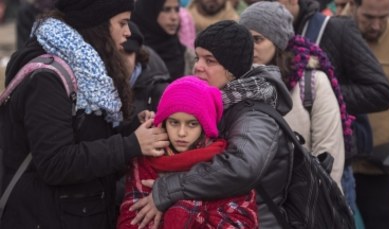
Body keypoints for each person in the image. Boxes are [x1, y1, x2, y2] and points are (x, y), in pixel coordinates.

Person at [0, 0, 170, 228]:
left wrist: (132, 129)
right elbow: (55, 162)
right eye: (122, 22)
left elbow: (88, 135)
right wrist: (131, 144)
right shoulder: (47, 79)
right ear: (96, 23)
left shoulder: (88, 73)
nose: (128, 31)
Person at [129, 20, 295, 229]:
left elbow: (243, 167)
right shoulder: (220, 100)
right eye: (198, 57)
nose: (197, 66)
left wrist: (171, 188)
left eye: (210, 60)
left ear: (232, 69)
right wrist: (159, 122)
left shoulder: (253, 115)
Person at [271, 0, 389, 225]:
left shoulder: (334, 29)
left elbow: (380, 91)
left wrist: (323, 94)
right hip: (283, 170)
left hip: (333, 160)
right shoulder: (260, 27)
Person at [117, 76, 258, 229]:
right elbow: (130, 221)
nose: (182, 133)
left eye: (192, 124)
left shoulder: (223, 165)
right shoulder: (146, 160)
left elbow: (242, 221)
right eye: (174, 122)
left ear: (205, 126)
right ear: (164, 122)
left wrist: (182, 208)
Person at [239, 1, 346, 189]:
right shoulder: (235, 84)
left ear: (278, 41)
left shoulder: (312, 83)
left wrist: (317, 204)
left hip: (303, 199)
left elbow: (329, 152)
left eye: (258, 39)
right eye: (245, 40)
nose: (250, 47)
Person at [347, 0, 389, 228]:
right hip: (340, 165)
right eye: (369, 17)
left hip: (381, 166)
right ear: (353, 6)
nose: (376, 25)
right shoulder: (333, 33)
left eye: (383, 17)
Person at [131, 0, 194, 82]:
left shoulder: (187, 55)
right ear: (149, 12)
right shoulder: (133, 54)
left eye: (177, 9)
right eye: (166, 10)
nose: (174, 17)